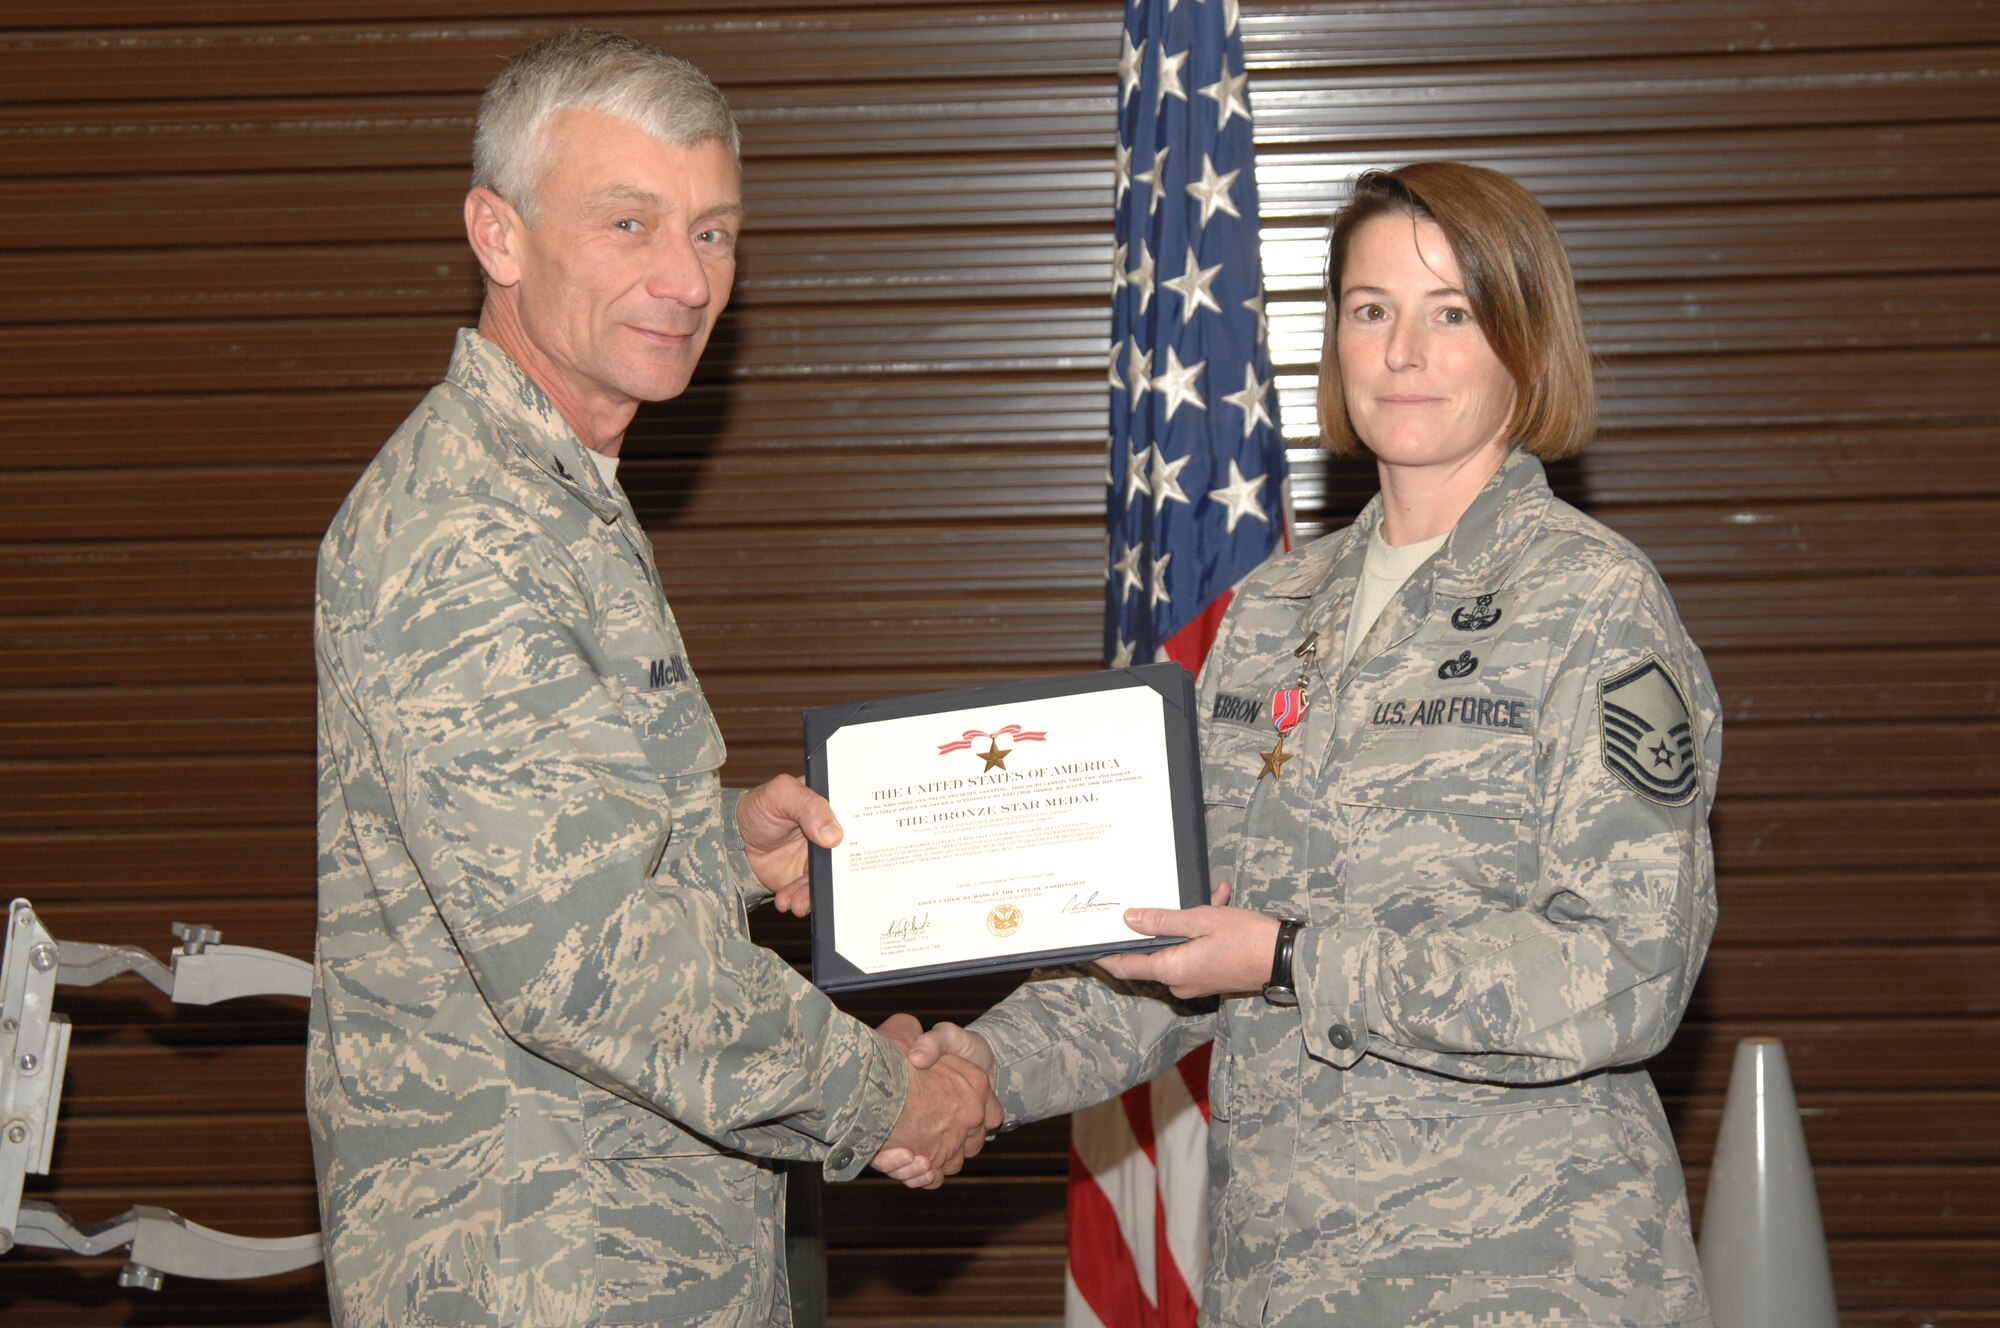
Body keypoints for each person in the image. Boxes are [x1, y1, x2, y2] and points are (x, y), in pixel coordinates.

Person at [898, 162, 1722, 1326]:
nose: (1401, 351)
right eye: (1369, 309)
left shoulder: (1592, 606)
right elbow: (1169, 948)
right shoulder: (1269, 614)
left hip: (1528, 1280)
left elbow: (1625, 973)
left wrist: (1293, 958)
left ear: (1524, 342)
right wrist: (976, 1072)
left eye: (1451, 313)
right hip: (1283, 1283)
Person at [307, 30, 997, 1327]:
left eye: (716, 232)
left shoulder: (558, 495)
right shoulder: (464, 531)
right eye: (630, 224)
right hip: (537, 1269)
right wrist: (884, 1094)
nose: (684, 278)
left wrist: (718, 846)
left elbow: (551, 851)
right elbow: (584, 961)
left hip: (633, 1252)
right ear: (497, 235)